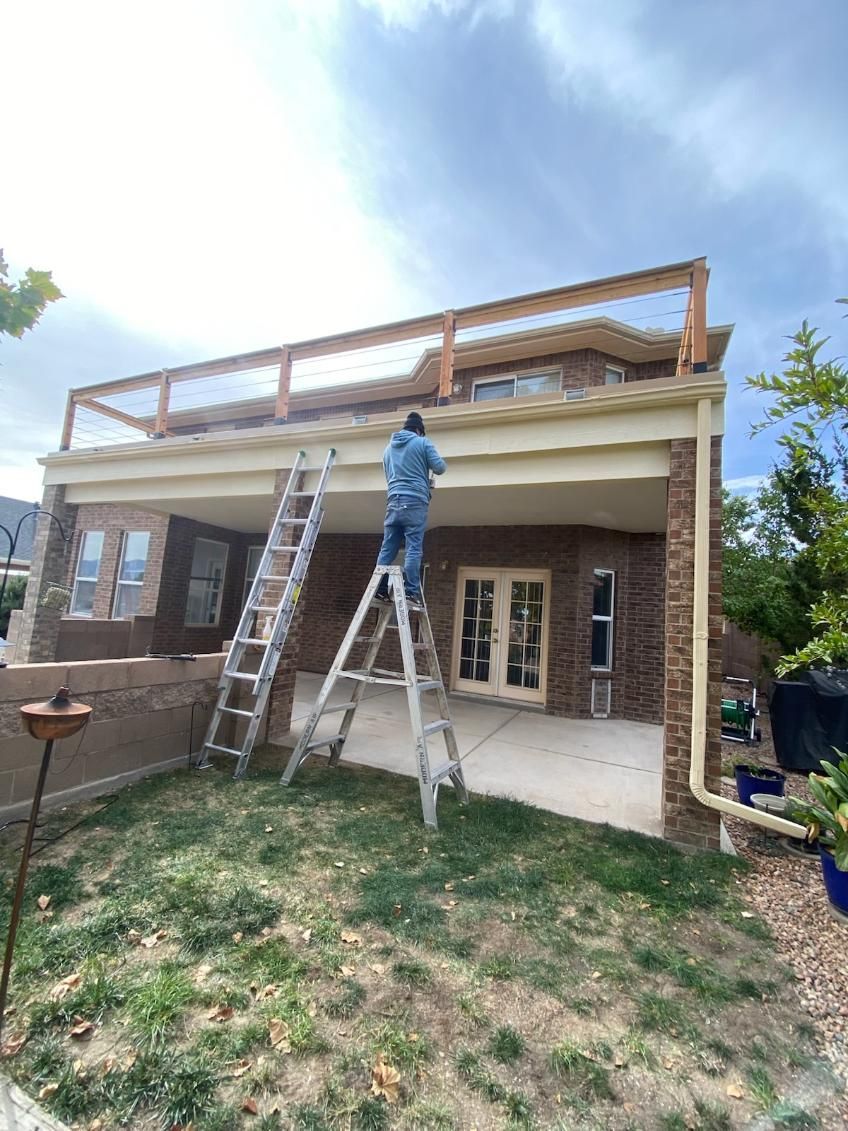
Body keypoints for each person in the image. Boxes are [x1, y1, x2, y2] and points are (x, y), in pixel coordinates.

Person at [374, 411, 446, 605]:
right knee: (413, 547)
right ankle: (410, 593)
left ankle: (379, 589)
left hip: (393, 500)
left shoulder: (388, 449)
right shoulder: (422, 442)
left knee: (388, 547)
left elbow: (388, 476)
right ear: (419, 430)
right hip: (414, 501)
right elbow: (439, 467)